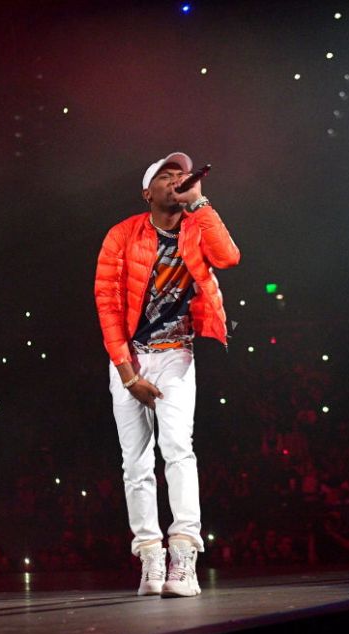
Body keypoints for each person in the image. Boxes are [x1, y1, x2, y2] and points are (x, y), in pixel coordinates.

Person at [94, 151, 241, 597]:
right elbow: (108, 304)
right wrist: (128, 375)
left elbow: (228, 258)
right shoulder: (121, 235)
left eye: (182, 174)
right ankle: (150, 556)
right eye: (166, 175)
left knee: (178, 448)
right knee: (135, 461)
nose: (177, 179)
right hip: (131, 358)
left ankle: (184, 555)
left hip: (176, 352)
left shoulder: (197, 226)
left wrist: (201, 203)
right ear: (147, 192)